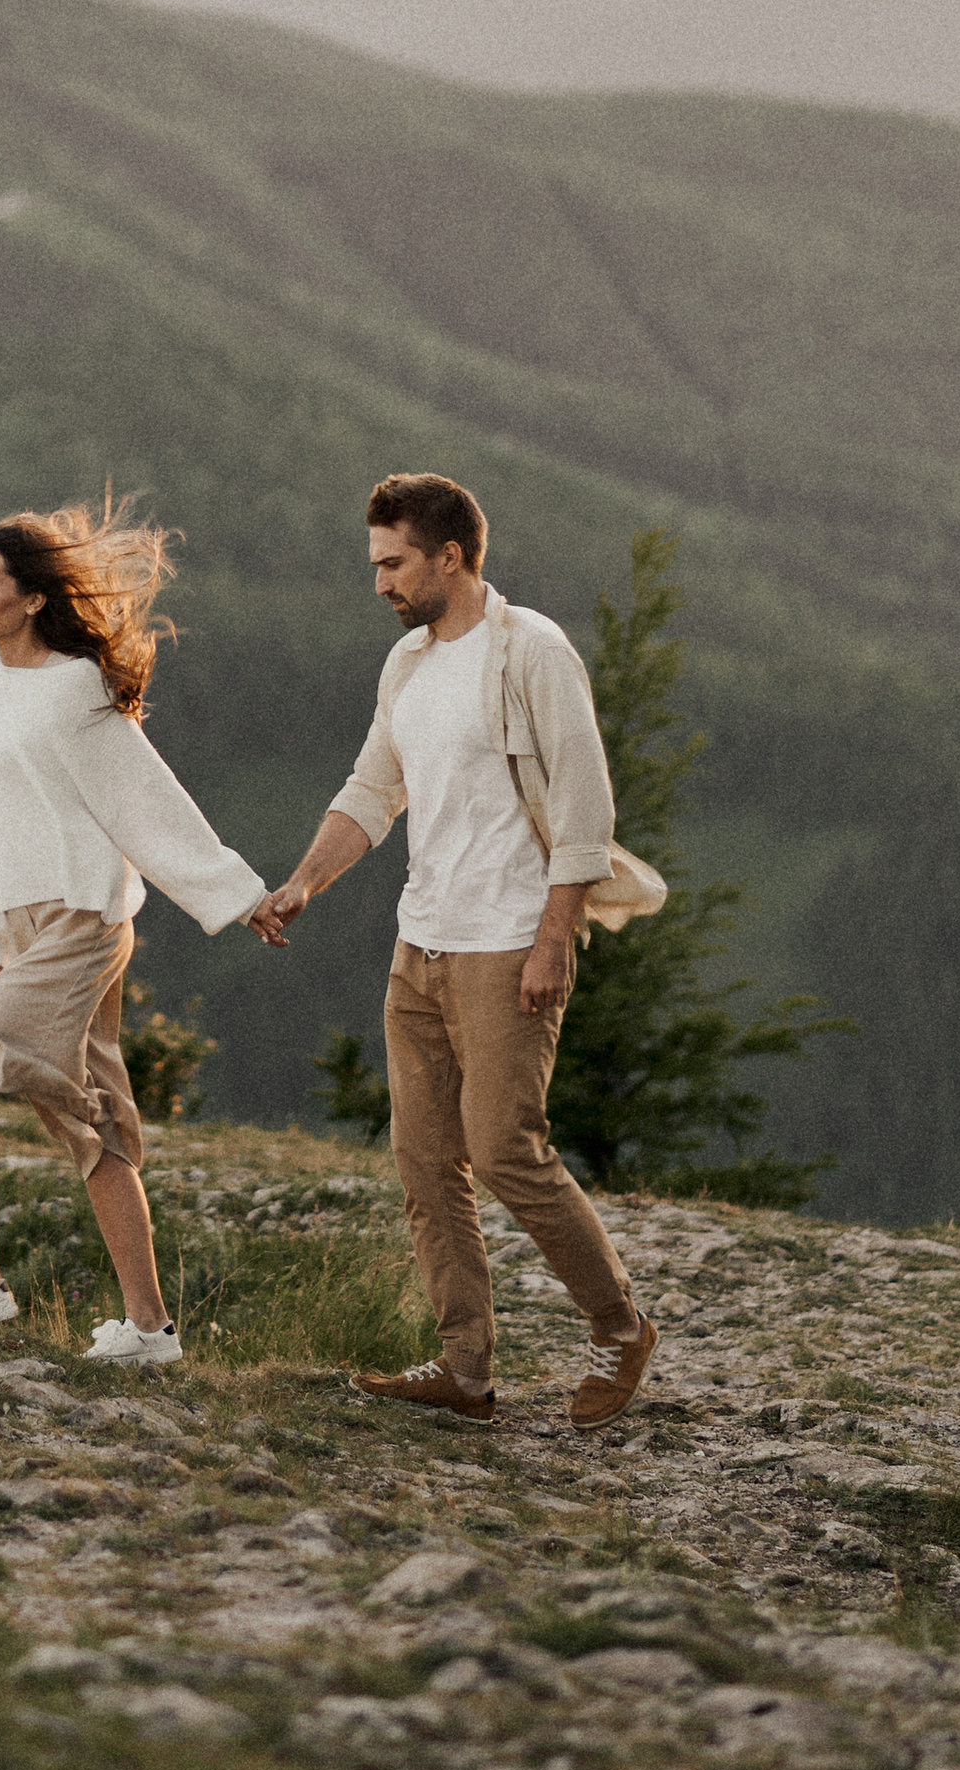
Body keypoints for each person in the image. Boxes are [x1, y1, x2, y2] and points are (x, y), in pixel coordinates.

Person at [256, 472, 666, 1429]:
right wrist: (305, 880)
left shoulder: (532, 653)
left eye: (394, 563)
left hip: (506, 942)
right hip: (422, 944)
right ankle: (466, 1369)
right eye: (374, 564)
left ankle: (620, 1325)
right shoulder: (406, 667)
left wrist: (554, 936)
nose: (380, 583)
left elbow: (584, 806)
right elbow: (371, 790)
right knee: (426, 1161)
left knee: (506, 1152)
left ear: (451, 555)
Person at [0, 499, 269, 1365]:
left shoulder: (76, 686)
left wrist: (238, 894)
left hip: (83, 917)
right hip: (32, 923)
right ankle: (150, 1332)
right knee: (92, 1126)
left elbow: (145, 799)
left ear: (33, 598)